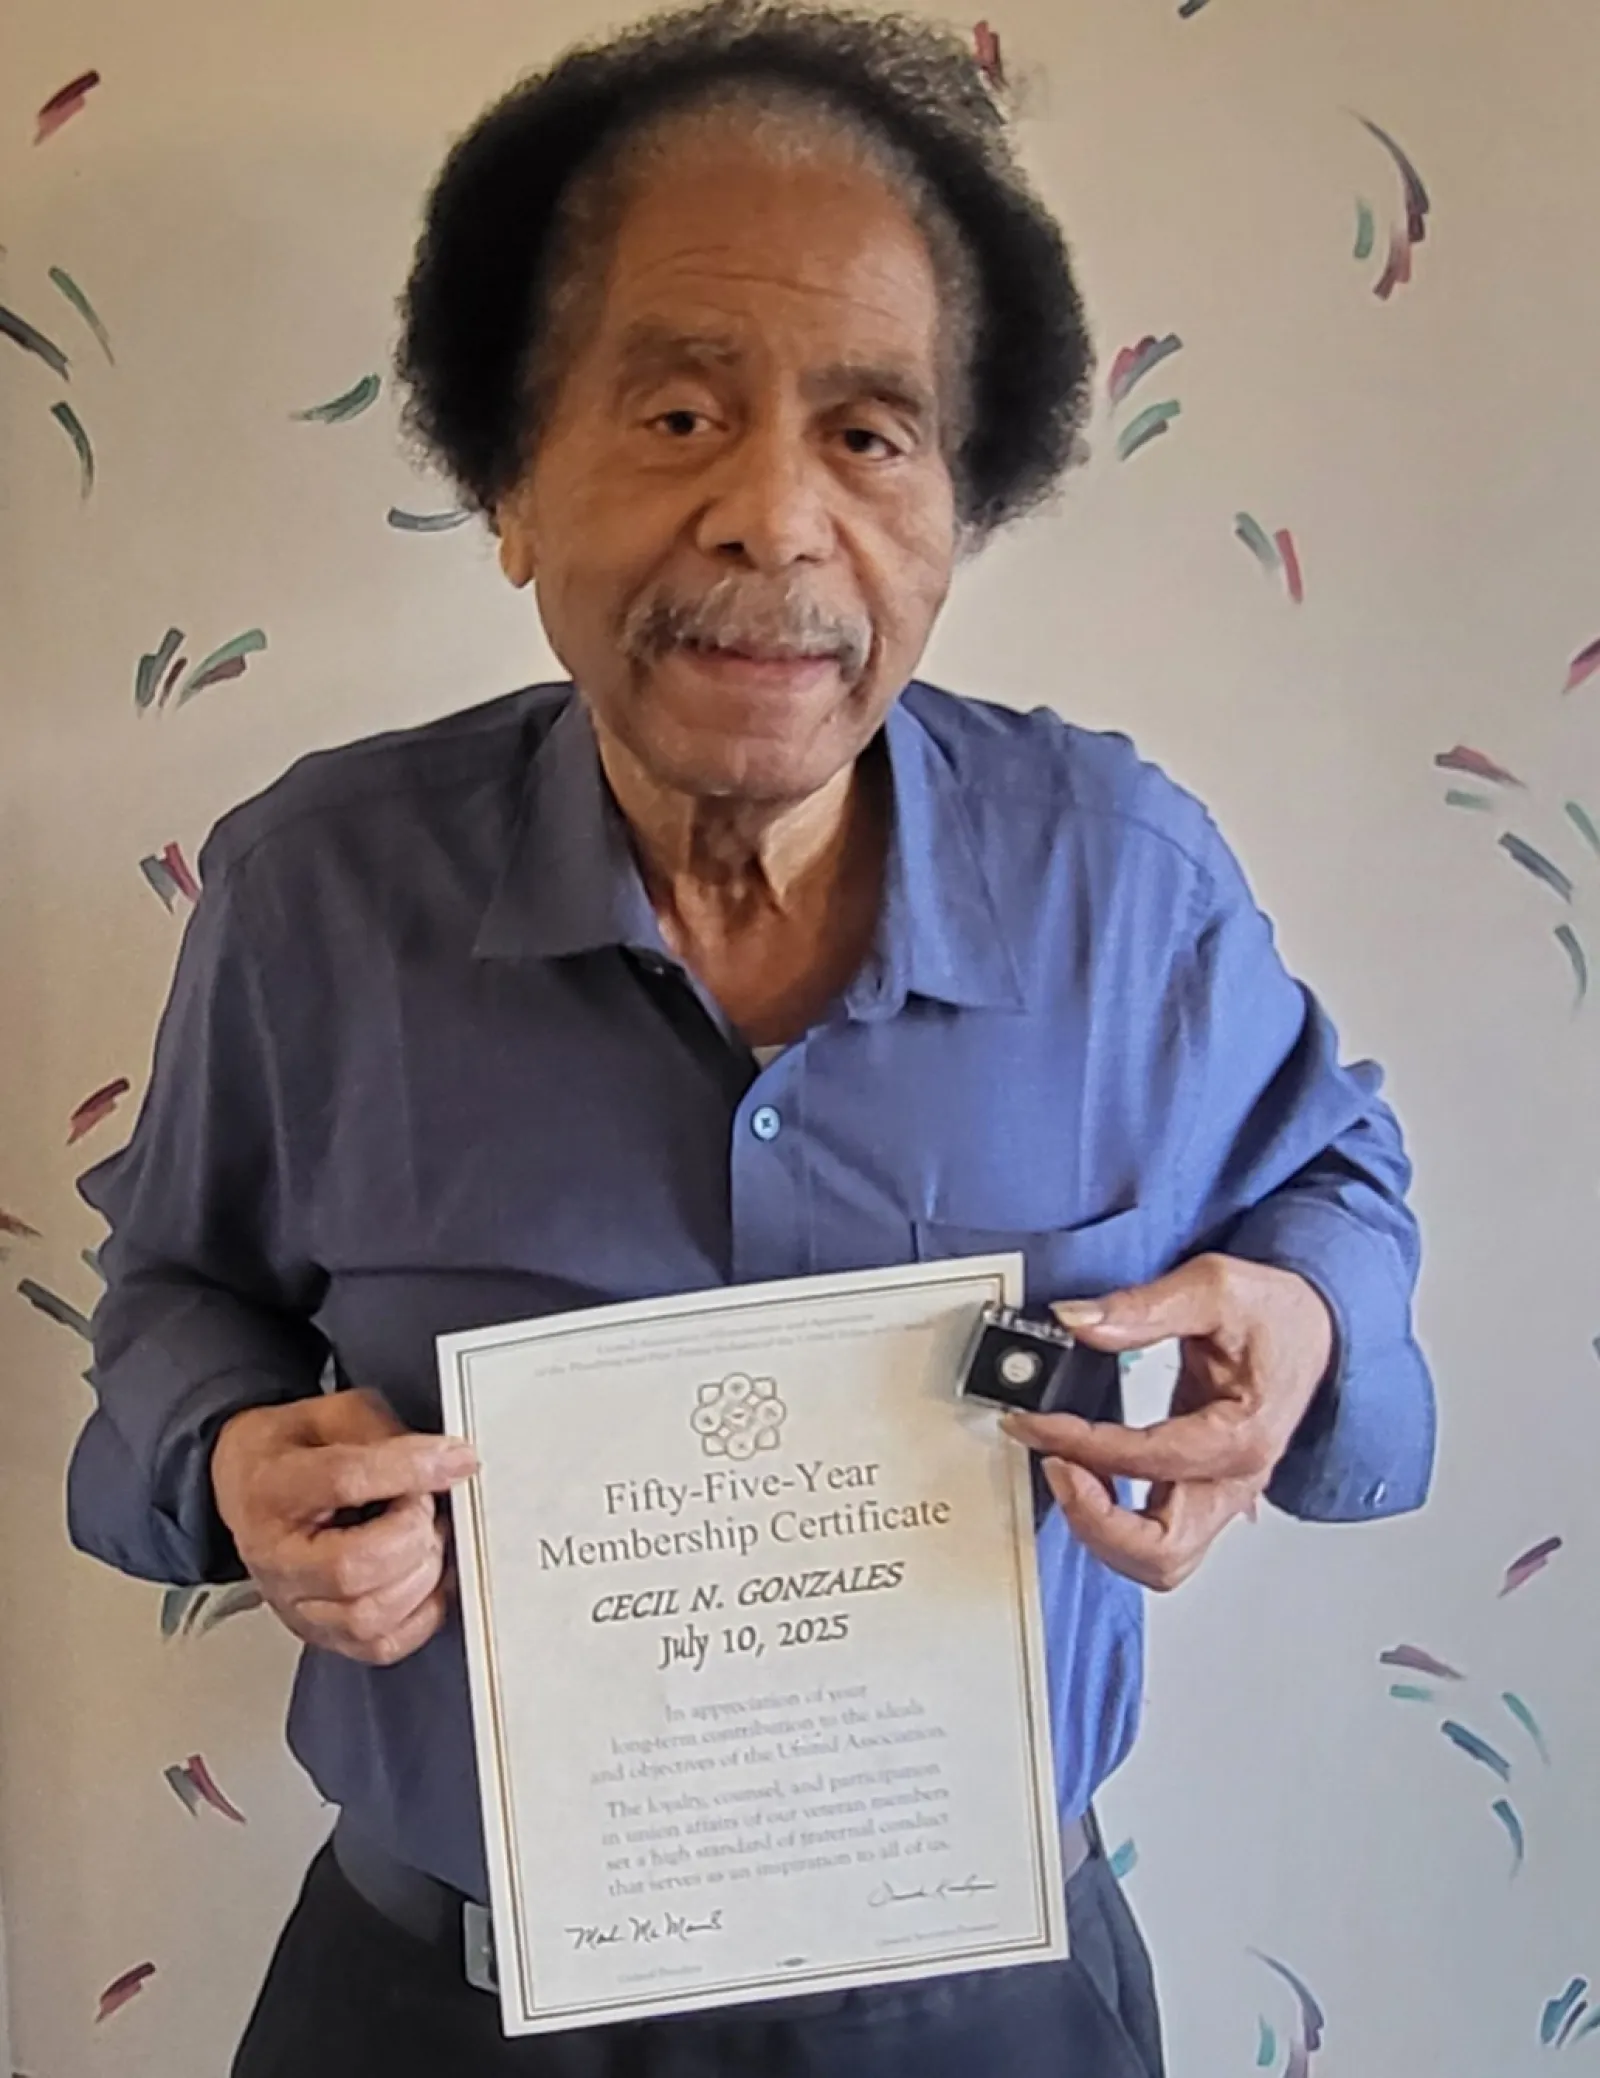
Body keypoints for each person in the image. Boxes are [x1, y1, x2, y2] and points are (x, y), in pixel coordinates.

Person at [66, 4, 1436, 2073]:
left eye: (871, 433)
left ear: (955, 511)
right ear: (510, 482)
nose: (778, 522)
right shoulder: (314, 896)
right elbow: (180, 1283)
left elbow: (1329, 1174)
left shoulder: (1123, 880)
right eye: (681, 415)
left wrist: (1304, 1326)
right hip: (443, 2015)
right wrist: (227, 1457)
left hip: (990, 2014)